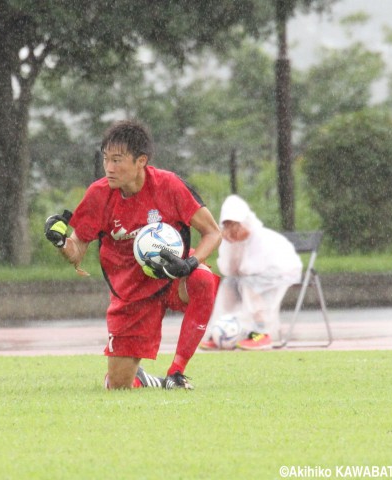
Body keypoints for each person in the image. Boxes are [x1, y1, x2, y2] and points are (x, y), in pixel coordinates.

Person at [45, 120, 221, 390]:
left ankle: (176, 373)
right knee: (118, 386)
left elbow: (212, 232)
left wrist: (190, 263)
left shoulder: (169, 186)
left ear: (141, 161)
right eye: (106, 159)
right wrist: (60, 242)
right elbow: (77, 250)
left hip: (173, 278)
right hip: (131, 294)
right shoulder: (99, 194)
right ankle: (144, 379)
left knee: (203, 280)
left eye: (117, 160)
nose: (109, 168)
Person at [200, 194, 303, 350]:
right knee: (228, 284)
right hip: (251, 276)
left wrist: (241, 269)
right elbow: (229, 270)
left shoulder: (260, 238)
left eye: (236, 225)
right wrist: (233, 247)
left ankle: (261, 332)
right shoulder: (230, 241)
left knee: (249, 284)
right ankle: (220, 331)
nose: (233, 230)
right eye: (229, 226)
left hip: (282, 271)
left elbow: (252, 269)